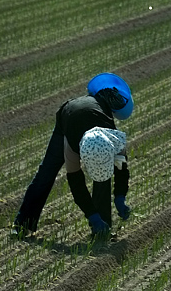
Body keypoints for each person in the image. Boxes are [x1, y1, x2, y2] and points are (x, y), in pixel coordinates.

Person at [13, 72, 134, 238]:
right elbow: (75, 182)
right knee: (46, 173)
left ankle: (102, 232)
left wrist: (120, 196)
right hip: (68, 117)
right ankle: (22, 224)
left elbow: (122, 168)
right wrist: (92, 216)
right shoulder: (71, 144)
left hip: (91, 115)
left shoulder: (113, 138)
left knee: (102, 174)